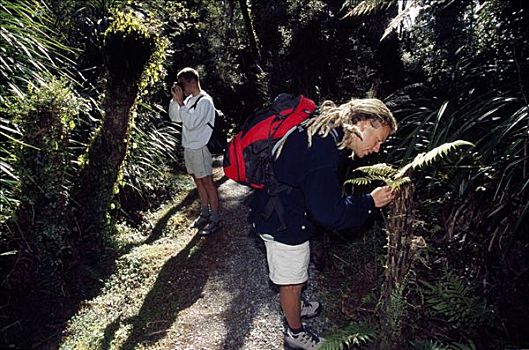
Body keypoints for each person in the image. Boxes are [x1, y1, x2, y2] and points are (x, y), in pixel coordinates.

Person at [249, 97, 398, 349]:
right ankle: (294, 333)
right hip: (282, 221)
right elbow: (329, 213)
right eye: (378, 139)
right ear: (362, 123)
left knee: (296, 271)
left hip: (283, 210)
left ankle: (295, 304)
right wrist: (369, 203)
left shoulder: (326, 131)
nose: (378, 148)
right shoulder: (323, 152)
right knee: (291, 279)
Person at [168, 67, 221, 235]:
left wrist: (182, 103)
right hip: (189, 147)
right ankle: (205, 213)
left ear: (192, 81)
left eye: (182, 83)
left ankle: (215, 218)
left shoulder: (205, 101)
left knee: (207, 183)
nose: (181, 87)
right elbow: (175, 118)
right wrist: (176, 100)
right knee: (198, 182)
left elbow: (191, 124)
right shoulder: (189, 100)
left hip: (200, 147)